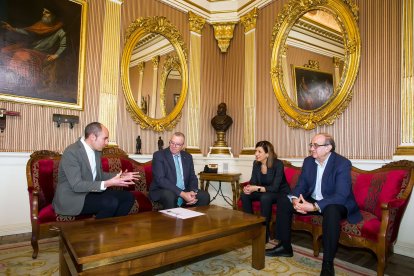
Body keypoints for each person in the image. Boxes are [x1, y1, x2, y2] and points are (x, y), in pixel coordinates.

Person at [265, 133, 362, 276]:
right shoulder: (309, 161)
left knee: (332, 211)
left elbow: (341, 195)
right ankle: (284, 247)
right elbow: (301, 186)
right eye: (311, 145)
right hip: (313, 199)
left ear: (328, 148)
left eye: (315, 145)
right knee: (284, 200)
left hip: (336, 203)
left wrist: (314, 206)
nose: (311, 148)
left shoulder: (342, 163)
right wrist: (294, 199)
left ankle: (328, 263)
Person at [53, 122, 139, 219]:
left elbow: (98, 176)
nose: (107, 143)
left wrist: (119, 176)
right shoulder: (72, 152)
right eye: (105, 138)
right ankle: (97, 232)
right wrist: (108, 183)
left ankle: (113, 228)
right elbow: (77, 185)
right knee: (110, 202)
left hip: (89, 192)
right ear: (93, 137)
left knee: (128, 197)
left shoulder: (97, 151)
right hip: (73, 197)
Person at [1, 6, 66, 88]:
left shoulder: (61, 31)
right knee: (5, 51)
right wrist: (13, 29)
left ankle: (28, 81)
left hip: (44, 53)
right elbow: (28, 31)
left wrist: (56, 55)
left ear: (54, 15)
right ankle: (12, 76)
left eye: (47, 12)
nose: (43, 13)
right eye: (43, 11)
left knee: (21, 54)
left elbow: (63, 46)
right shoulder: (40, 25)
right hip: (32, 48)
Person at [240, 141, 290, 243]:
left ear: (267, 154)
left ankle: (264, 233)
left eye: (259, 151)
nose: (256, 154)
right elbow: (253, 181)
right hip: (265, 191)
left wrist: (256, 188)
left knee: (265, 197)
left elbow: (275, 188)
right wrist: (248, 188)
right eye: (256, 151)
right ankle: (251, 228)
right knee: (244, 195)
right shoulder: (256, 163)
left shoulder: (278, 164)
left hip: (280, 193)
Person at [149, 132, 210, 209]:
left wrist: (192, 192)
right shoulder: (159, 155)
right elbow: (161, 180)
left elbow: (192, 177)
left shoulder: (187, 156)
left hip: (185, 190)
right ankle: (171, 221)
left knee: (204, 196)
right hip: (163, 190)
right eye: (172, 142)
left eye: (177, 144)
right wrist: (182, 194)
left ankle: (193, 220)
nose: (173, 146)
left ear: (182, 146)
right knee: (170, 195)